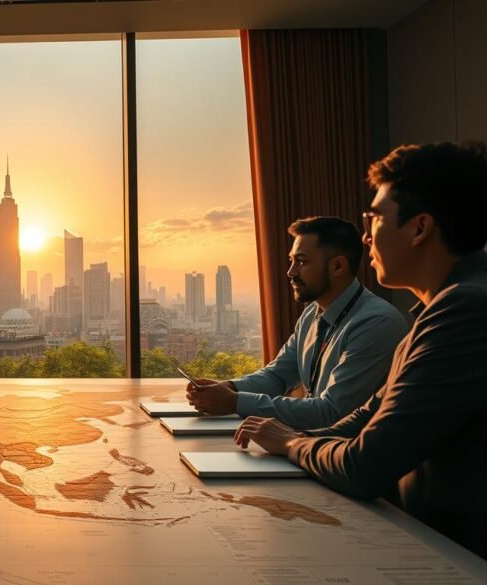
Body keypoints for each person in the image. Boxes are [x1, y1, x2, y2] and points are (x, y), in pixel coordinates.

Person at [234, 142, 487, 558]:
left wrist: (291, 445)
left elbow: (364, 465)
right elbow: (366, 418)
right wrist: (285, 437)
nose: (365, 236)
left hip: (453, 558)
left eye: (374, 218)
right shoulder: (437, 309)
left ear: (420, 228)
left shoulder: (465, 310)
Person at [186, 216, 408, 430]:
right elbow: (278, 375)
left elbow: (332, 413)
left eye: (301, 262)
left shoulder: (376, 324)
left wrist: (235, 402)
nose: (290, 272)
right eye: (292, 261)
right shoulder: (313, 313)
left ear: (338, 266)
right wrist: (227, 388)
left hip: (344, 459)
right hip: (310, 446)